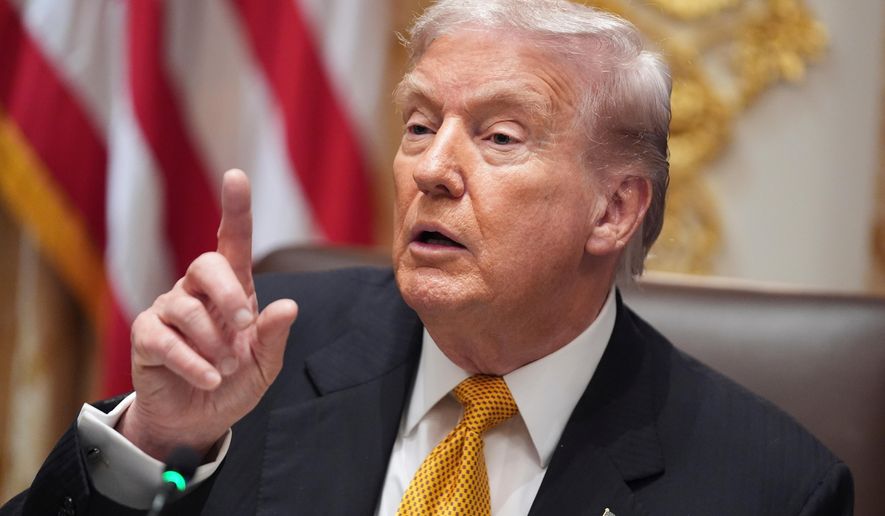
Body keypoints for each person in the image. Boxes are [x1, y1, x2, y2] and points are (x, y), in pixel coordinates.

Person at [2, 0, 852, 515]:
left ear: (615, 208)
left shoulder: (768, 490)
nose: (431, 168)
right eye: (418, 125)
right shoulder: (262, 351)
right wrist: (155, 442)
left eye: (499, 136)